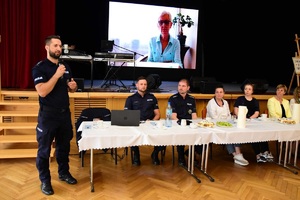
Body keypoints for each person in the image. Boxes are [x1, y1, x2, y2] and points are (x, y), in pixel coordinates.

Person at [32, 35, 78, 195]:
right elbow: (42, 91)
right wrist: (57, 75)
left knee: (63, 148)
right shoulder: (40, 68)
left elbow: (70, 88)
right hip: (48, 116)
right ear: (47, 48)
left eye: (60, 46)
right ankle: (45, 181)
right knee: (44, 151)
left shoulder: (64, 66)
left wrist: (73, 87)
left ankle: (63, 173)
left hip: (64, 115)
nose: (59, 49)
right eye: (55, 46)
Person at [124, 76, 164, 166]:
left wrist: (152, 121)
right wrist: (135, 122)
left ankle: (155, 154)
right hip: (136, 125)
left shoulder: (152, 97)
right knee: (133, 135)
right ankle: (136, 156)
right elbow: (126, 116)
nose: (143, 86)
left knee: (163, 136)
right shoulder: (130, 99)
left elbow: (158, 114)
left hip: (150, 123)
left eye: (145, 84)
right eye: (141, 84)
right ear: (137, 85)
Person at [206, 85, 249, 166]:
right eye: (217, 92)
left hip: (226, 124)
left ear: (224, 93)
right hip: (215, 126)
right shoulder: (211, 102)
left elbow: (228, 114)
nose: (219, 94)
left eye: (221, 92)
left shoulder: (225, 102)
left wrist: (228, 122)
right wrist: (225, 123)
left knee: (234, 132)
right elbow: (214, 117)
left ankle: (238, 153)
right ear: (214, 93)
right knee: (227, 134)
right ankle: (235, 155)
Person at [234, 83, 273, 163]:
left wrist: (250, 118)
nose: (247, 91)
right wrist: (242, 118)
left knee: (261, 132)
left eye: (249, 89)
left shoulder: (255, 101)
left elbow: (257, 112)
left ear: (252, 91)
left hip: (252, 121)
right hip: (241, 121)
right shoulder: (240, 99)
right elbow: (236, 110)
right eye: (246, 89)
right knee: (253, 134)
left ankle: (266, 152)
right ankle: (258, 154)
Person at [168, 78, 199, 166]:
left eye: (183, 86)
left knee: (199, 134)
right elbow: (173, 116)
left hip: (189, 123)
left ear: (188, 88)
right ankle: (181, 156)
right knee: (180, 135)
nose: (181, 88)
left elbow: (194, 115)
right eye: (179, 85)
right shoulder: (173, 98)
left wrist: (196, 125)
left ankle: (190, 153)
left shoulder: (191, 99)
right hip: (178, 123)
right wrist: (181, 124)